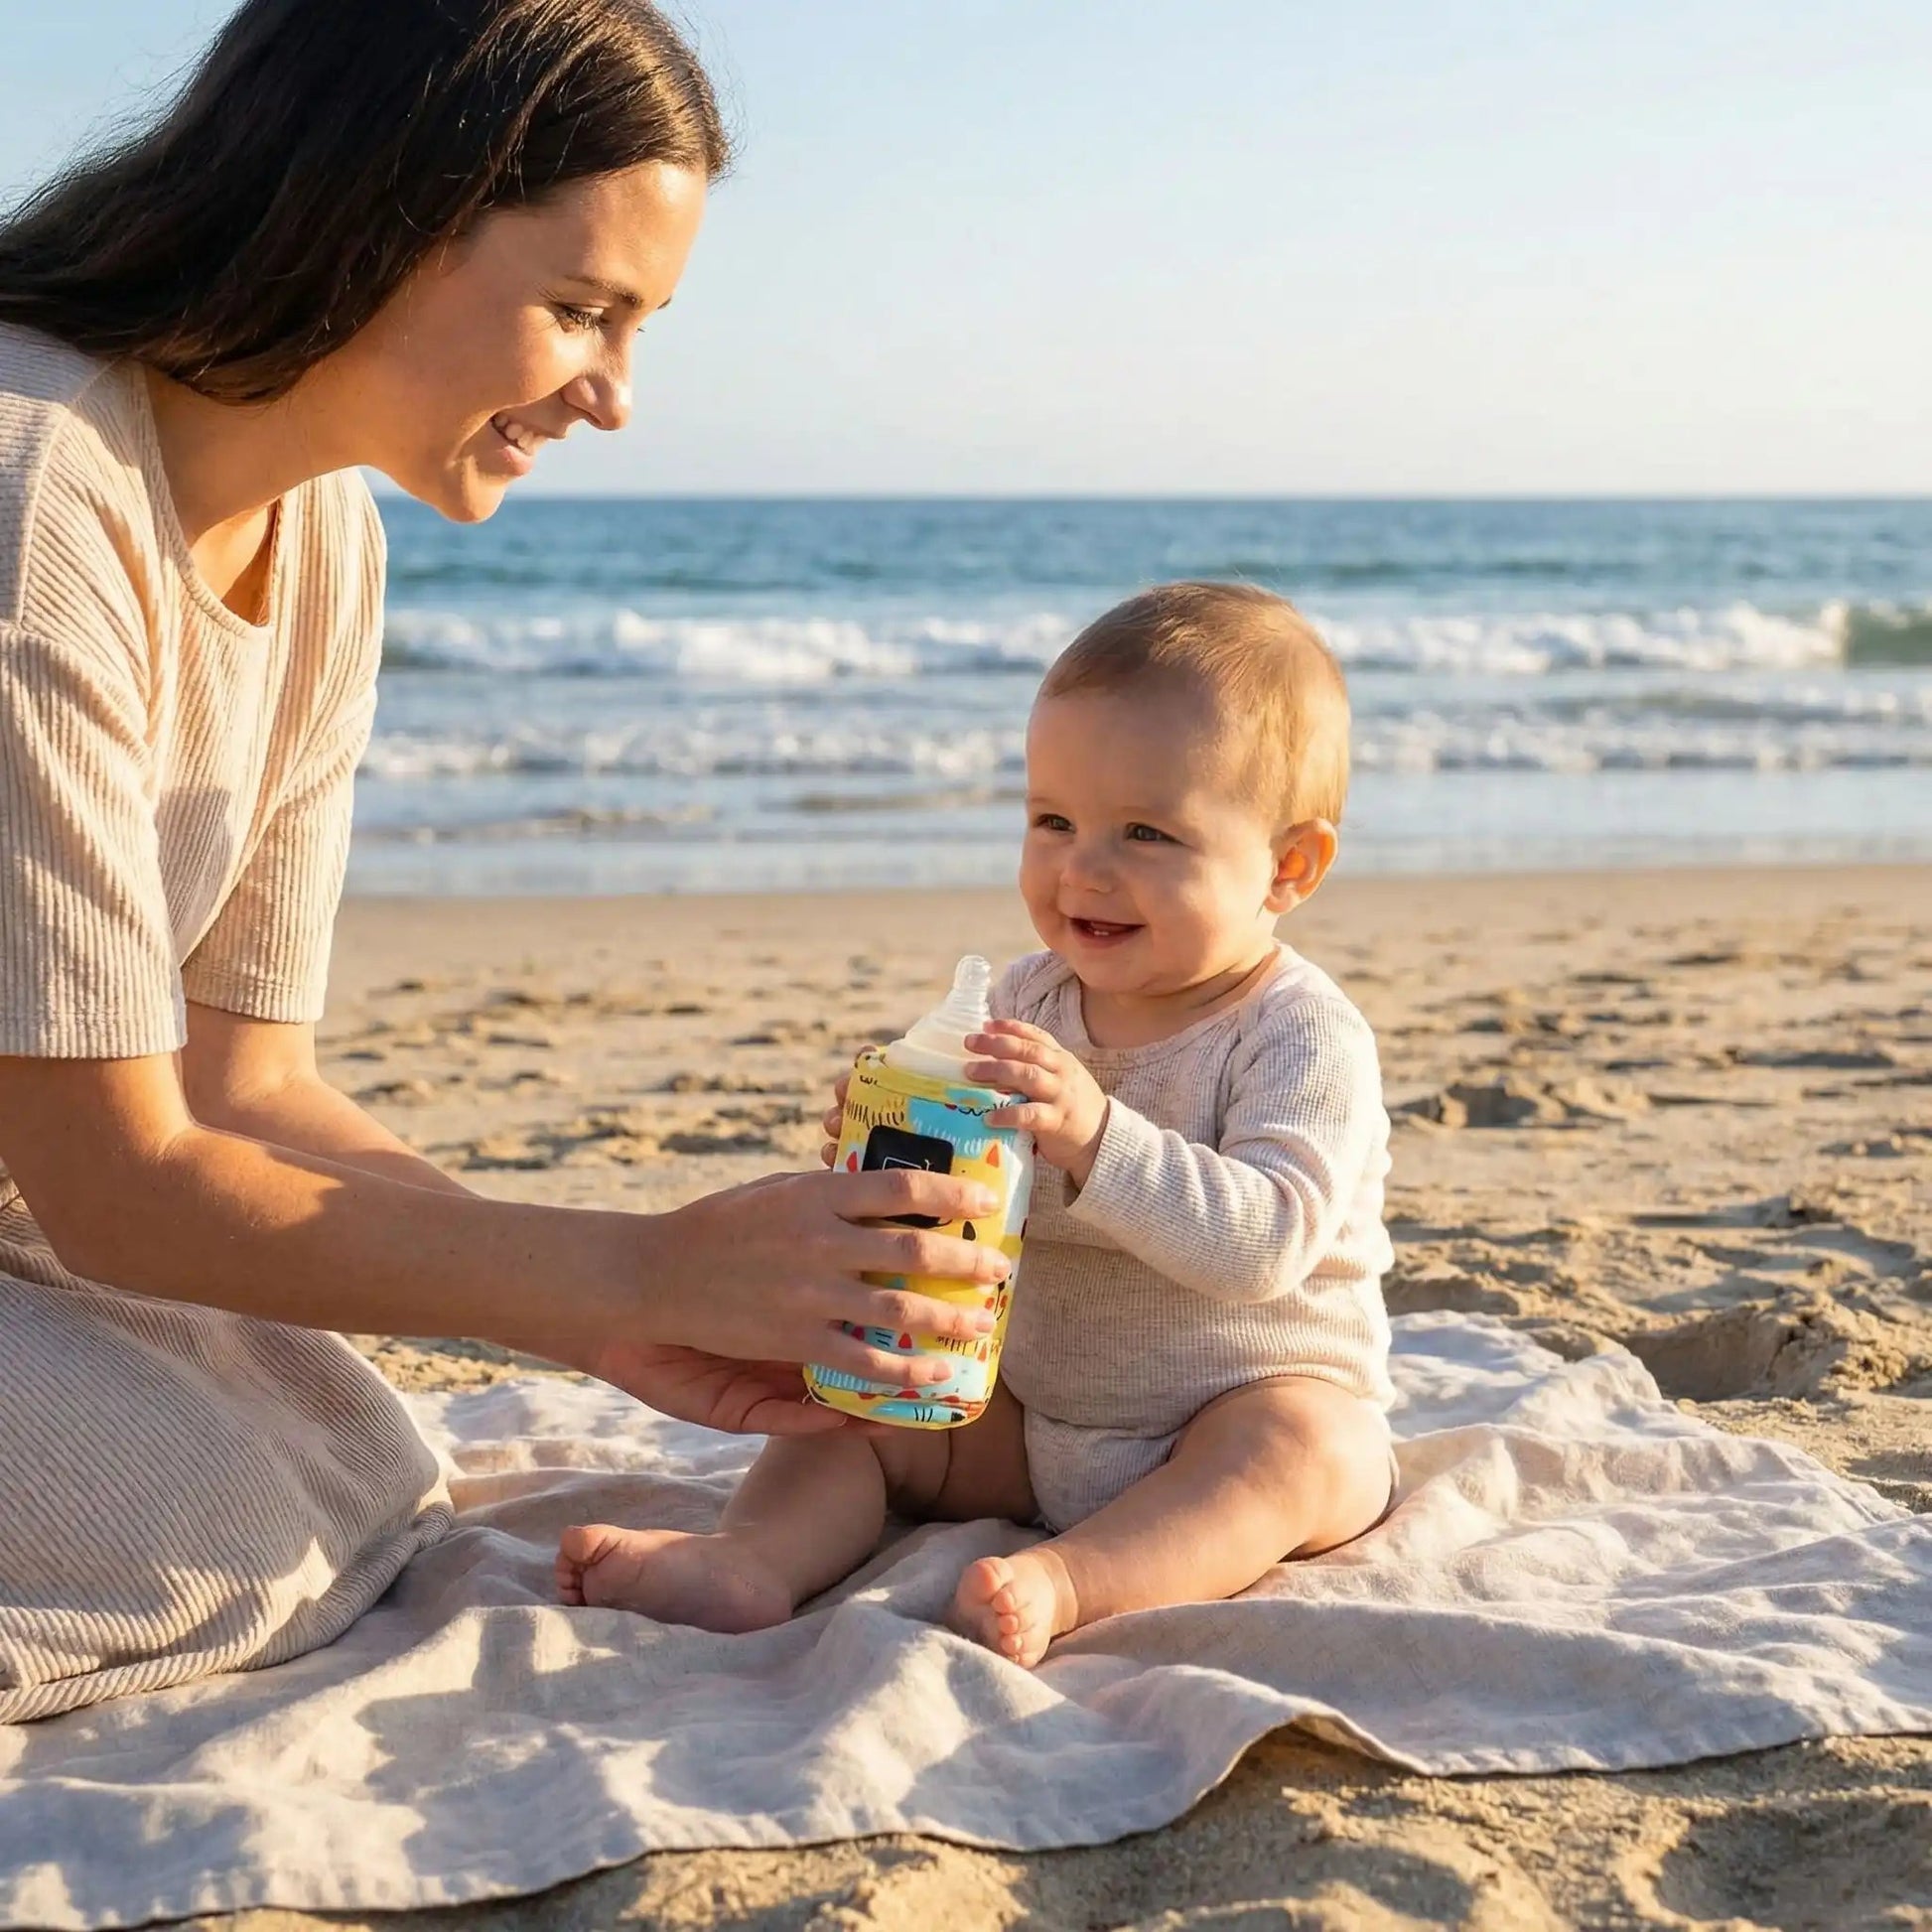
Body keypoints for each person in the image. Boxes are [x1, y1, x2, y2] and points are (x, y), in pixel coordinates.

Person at [0, 0, 1009, 1725]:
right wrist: (629, 1269)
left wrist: (613, 1311)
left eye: (639, 328)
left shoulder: (323, 541)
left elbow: (244, 1089)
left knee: (354, 1457)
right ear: (368, 212)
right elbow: (111, 1180)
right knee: (210, 1528)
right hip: (60, 1200)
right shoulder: (36, 493)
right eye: (581, 310)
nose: (615, 397)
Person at [557, 582, 1400, 1667]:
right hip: (1031, 1418)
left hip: (1230, 1406)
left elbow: (1265, 1244)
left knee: (1300, 1446)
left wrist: (1100, 1134)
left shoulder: (1298, 1035)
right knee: (862, 1402)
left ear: (1288, 866)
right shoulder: (1024, 997)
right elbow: (979, 1216)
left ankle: (1069, 1578)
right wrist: (899, 1158)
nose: (1079, 866)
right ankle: (750, 1558)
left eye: (1146, 831)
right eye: (1052, 820)